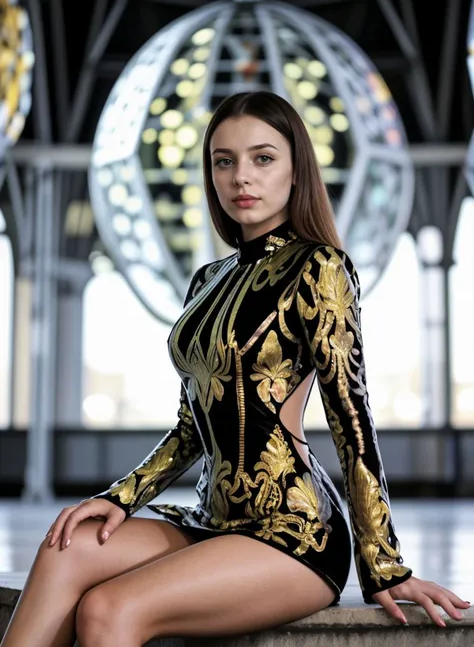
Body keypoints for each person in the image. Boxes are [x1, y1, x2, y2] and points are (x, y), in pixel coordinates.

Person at [1, 90, 469, 647]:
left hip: (293, 532)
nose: (241, 177)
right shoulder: (207, 280)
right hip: (212, 519)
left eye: (262, 158)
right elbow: (188, 430)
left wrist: (385, 566)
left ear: (297, 170)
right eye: (225, 161)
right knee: (66, 547)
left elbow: (352, 419)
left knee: (108, 610)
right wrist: (119, 497)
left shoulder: (319, 266)